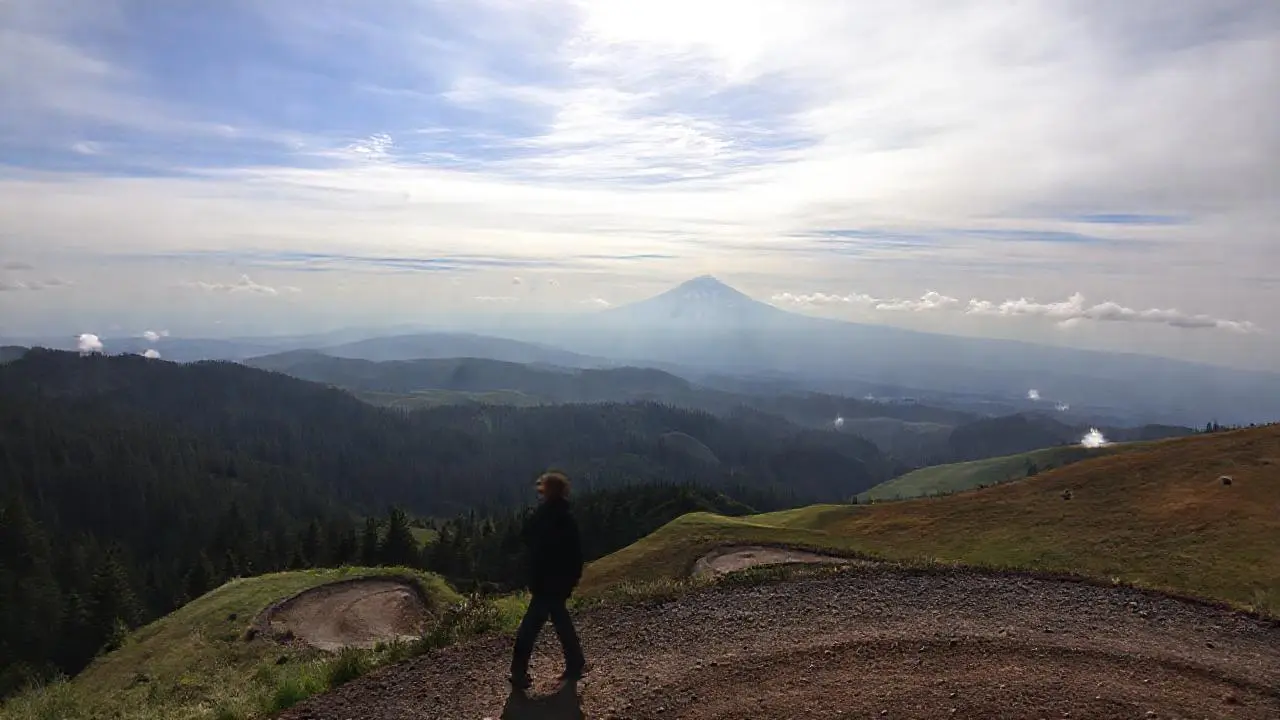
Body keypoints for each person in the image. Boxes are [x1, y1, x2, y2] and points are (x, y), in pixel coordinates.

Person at [509, 471, 587, 690]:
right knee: (561, 622)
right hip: (558, 583)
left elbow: (527, 538)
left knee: (529, 628)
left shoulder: (544, 516)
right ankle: (575, 663)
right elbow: (576, 555)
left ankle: (519, 672)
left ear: (547, 490)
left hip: (544, 582)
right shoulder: (566, 518)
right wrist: (572, 580)